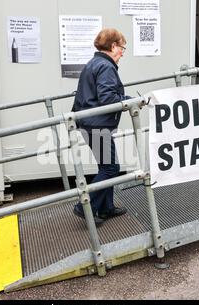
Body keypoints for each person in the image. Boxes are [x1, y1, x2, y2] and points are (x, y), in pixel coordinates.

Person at [72, 28, 130, 227]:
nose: (123, 52)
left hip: (89, 123)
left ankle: (105, 208)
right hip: (97, 125)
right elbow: (108, 98)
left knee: (106, 166)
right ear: (113, 46)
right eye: (122, 47)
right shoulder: (106, 67)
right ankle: (84, 206)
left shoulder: (94, 63)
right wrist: (130, 100)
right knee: (111, 168)